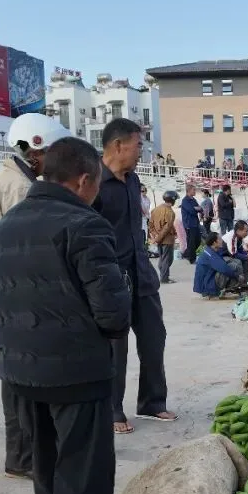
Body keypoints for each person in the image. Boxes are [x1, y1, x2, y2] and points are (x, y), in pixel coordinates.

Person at [0, 136, 130, 494]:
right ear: (84, 180)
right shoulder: (84, 225)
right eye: (96, 183)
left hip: (20, 371)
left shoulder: (7, 226)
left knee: (46, 465)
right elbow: (113, 315)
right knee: (85, 474)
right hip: (76, 372)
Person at [0, 114, 70, 480]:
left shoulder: (15, 180)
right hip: (13, 294)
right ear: (35, 149)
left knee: (19, 374)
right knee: (20, 378)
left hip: (7, 292)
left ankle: (25, 452)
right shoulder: (17, 187)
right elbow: (26, 247)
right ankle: (23, 456)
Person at [94, 118, 177, 435]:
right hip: (112, 275)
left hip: (141, 269)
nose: (142, 151)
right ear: (118, 145)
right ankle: (113, 409)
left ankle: (152, 402)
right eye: (138, 144)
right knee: (116, 347)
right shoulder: (94, 182)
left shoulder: (132, 180)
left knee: (155, 337)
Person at [193, 232, 242, 298]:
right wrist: (237, 277)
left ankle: (231, 287)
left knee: (234, 262)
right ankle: (222, 292)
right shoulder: (210, 254)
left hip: (208, 279)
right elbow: (224, 269)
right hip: (207, 285)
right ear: (214, 242)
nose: (222, 240)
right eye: (220, 239)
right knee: (232, 267)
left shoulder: (211, 250)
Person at [149, 191, 178, 284]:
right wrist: (158, 238)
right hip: (167, 239)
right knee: (167, 259)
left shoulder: (156, 209)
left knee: (162, 258)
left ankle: (163, 275)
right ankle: (164, 278)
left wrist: (155, 236)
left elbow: (150, 225)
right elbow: (167, 227)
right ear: (172, 200)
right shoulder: (170, 212)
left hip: (158, 237)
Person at [180, 185, 203, 263]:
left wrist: (197, 208)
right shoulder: (185, 200)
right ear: (189, 190)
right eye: (194, 190)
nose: (195, 191)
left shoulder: (193, 200)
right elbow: (191, 211)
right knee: (191, 242)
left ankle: (186, 254)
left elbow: (200, 209)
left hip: (195, 223)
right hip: (189, 224)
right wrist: (196, 208)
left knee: (198, 241)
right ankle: (192, 259)